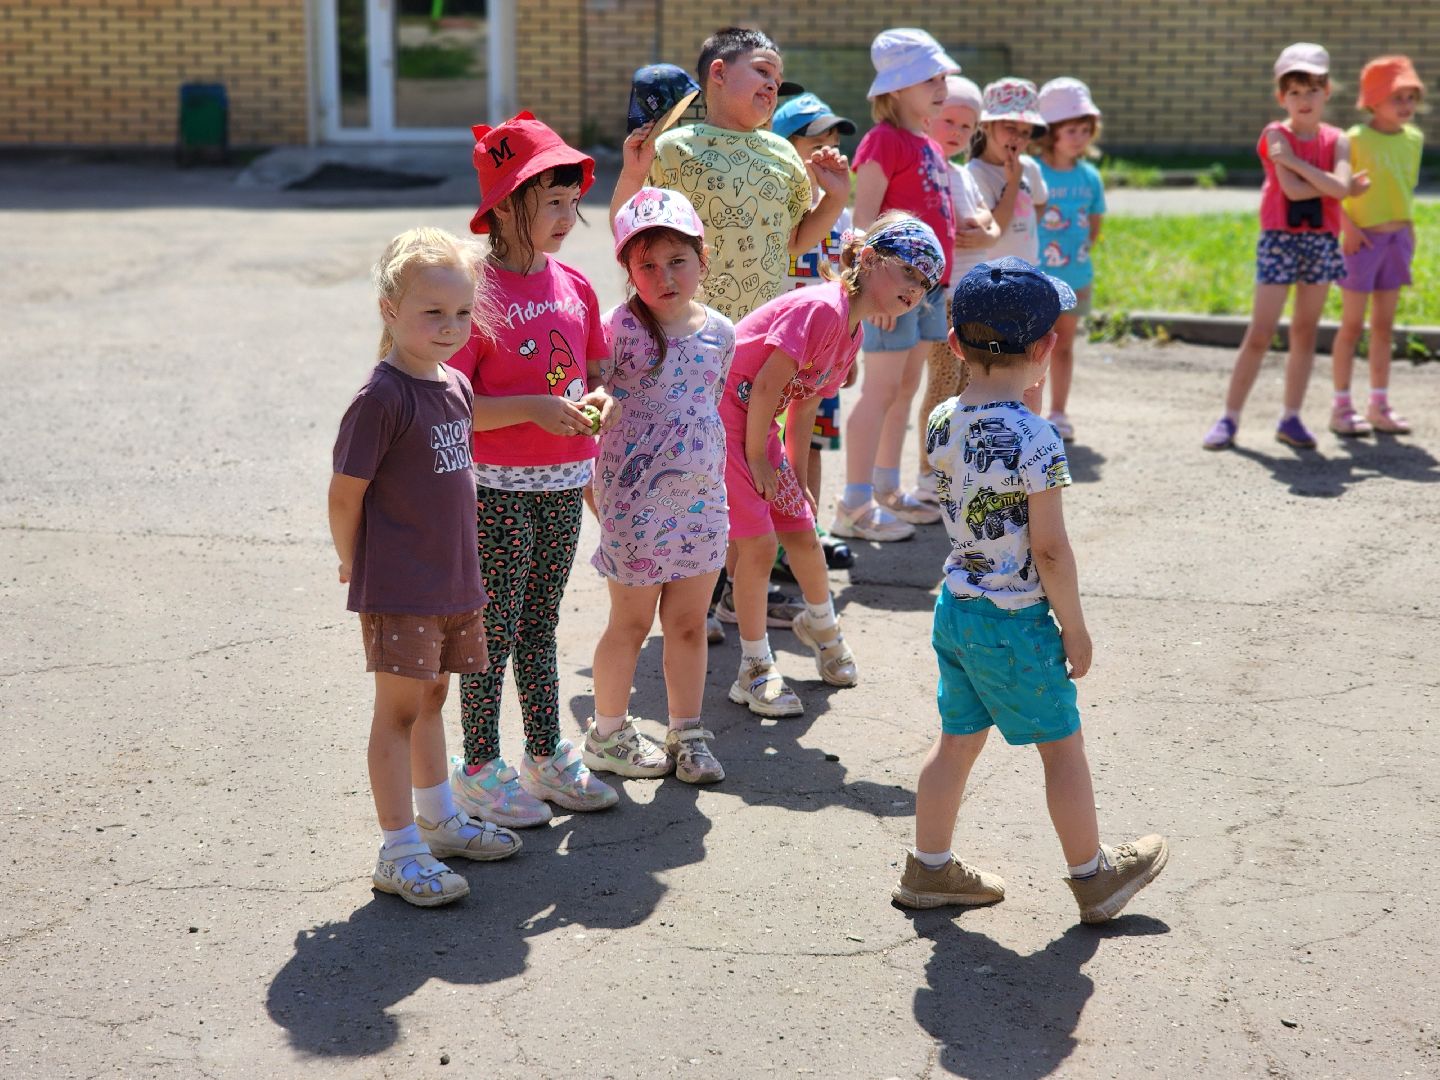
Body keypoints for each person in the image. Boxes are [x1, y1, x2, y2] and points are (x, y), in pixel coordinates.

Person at [892, 256, 1169, 923]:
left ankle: (929, 867)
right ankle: (1093, 877)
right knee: (1062, 747)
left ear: (954, 343)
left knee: (956, 740)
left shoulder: (941, 418)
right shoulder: (1036, 438)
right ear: (1046, 347)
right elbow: (1048, 548)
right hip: (1015, 620)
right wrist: (1074, 626)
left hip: (957, 608)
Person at [612, 27, 853, 644]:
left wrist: (834, 201)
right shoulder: (674, 148)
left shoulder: (781, 155)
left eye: (778, 77)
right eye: (762, 70)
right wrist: (633, 171)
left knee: (744, 467)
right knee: (687, 464)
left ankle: (729, 591)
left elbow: (795, 240)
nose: (773, 84)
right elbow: (628, 224)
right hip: (687, 339)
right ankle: (684, 589)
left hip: (758, 349)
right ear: (717, 74)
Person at [329, 227, 521, 908]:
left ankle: (439, 820)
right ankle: (400, 849)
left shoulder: (456, 385)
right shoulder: (381, 397)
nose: (450, 326)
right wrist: (352, 560)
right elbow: (345, 494)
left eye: (462, 312)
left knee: (434, 698)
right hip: (402, 586)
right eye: (433, 312)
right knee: (398, 713)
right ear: (390, 309)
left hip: (453, 582)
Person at [447, 112, 621, 825]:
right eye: (550, 201)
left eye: (572, 201)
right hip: (494, 489)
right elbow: (453, 404)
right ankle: (479, 767)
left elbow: (596, 374)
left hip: (562, 482)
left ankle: (545, 755)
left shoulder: (574, 284)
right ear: (503, 206)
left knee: (540, 623)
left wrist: (599, 401)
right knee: (492, 630)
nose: (567, 216)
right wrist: (531, 409)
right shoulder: (472, 291)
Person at [724, 213, 946, 717]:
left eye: (925, 283)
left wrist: (797, 480)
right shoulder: (822, 309)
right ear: (867, 259)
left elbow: (802, 407)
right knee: (759, 546)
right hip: (721, 420)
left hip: (757, 425)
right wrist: (758, 458)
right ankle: (754, 668)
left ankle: (821, 628)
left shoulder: (852, 332)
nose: (916, 289)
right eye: (909, 272)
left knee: (803, 530)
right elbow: (766, 384)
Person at [584, 188, 732, 785]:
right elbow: (592, 399)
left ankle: (687, 732)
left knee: (690, 623)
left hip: (702, 502)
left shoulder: (721, 332)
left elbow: (709, 407)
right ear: (627, 268)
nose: (664, 276)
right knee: (631, 622)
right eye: (646, 264)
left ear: (702, 259)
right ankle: (608, 732)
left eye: (677, 260)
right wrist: (596, 491)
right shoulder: (615, 330)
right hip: (635, 505)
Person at [834, 28, 961, 543]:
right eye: (930, 79)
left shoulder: (929, 144)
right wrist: (875, 288)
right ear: (897, 88)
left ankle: (887, 487)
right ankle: (854, 503)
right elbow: (863, 218)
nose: (942, 87)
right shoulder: (883, 140)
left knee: (906, 387)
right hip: (892, 288)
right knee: (881, 390)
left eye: (943, 78)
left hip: (928, 289)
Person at [1202, 43, 1361, 451]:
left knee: (1305, 331)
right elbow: (1293, 191)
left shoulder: (1338, 139)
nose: (1304, 99)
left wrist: (1295, 162)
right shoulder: (1275, 134)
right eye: (1294, 91)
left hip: (1321, 241)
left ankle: (1291, 417)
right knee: (1261, 332)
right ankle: (1229, 417)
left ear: (1328, 91)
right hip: (1279, 241)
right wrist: (1329, 183)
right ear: (1281, 97)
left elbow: (1341, 187)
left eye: (1313, 90)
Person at [771, 91, 860, 574]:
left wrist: (851, 350)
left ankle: (807, 532)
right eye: (816, 143)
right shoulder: (775, 208)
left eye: (835, 143)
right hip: (781, 349)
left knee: (813, 444)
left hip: (825, 352)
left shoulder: (841, 214)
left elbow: (849, 285)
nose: (829, 152)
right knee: (771, 442)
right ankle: (770, 543)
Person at [915, 74, 1000, 505]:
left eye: (966, 127)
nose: (956, 132)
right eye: (948, 121)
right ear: (928, 118)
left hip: (972, 297)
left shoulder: (963, 174)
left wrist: (984, 231)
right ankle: (927, 471)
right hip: (942, 296)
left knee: (970, 381)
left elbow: (990, 219)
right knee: (943, 381)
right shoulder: (929, 170)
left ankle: (955, 463)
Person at [1329, 55, 1426, 437]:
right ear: (1372, 99)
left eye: (1410, 97)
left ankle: (1378, 405)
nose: (1406, 105)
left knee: (1383, 327)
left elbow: (1404, 190)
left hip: (1397, 241)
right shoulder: (1353, 139)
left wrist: (1409, 231)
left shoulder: (1414, 140)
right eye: (1396, 97)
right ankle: (1341, 406)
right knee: (1352, 326)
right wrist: (1348, 228)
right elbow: (1332, 192)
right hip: (1362, 242)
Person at [1034, 77, 1107, 440]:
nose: (1079, 137)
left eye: (1085, 130)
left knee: (1063, 346)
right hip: (1036, 277)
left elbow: (1094, 225)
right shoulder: (1034, 171)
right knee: (1032, 347)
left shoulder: (1089, 177)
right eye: (1070, 130)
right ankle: (1027, 411)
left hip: (1075, 276)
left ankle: (1059, 412)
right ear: (1050, 132)